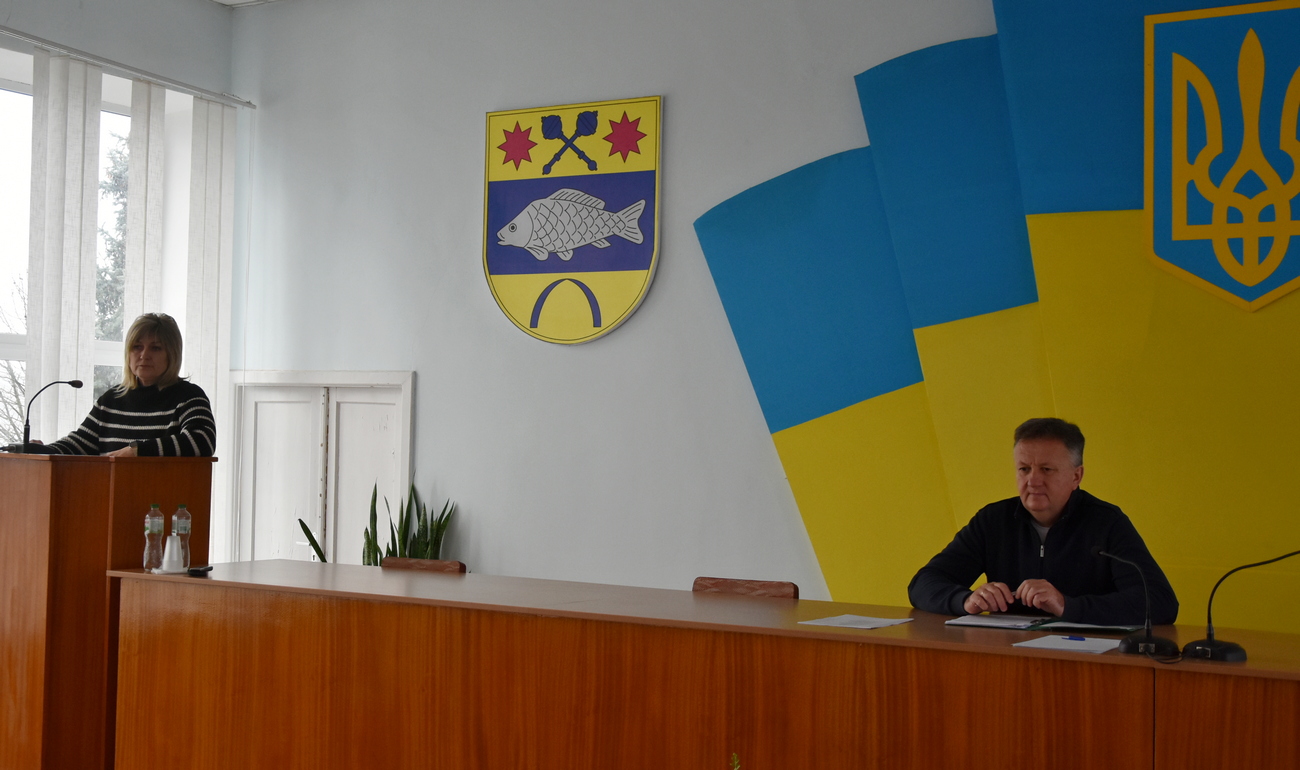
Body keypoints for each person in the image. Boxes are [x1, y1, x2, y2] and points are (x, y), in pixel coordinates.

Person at [908, 418, 1177, 625]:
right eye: (1024, 469)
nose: (1033, 481)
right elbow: (923, 583)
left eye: (1046, 470)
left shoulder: (1107, 523)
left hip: (1084, 660)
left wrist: (1066, 605)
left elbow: (1160, 602)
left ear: (1076, 476)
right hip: (1008, 654)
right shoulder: (993, 520)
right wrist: (965, 600)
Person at [26, 313, 215, 457]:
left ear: (172, 354)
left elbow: (202, 441)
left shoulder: (189, 396)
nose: (144, 355)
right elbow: (79, 445)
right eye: (137, 347)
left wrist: (136, 451)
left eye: (155, 348)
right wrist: (40, 450)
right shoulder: (111, 400)